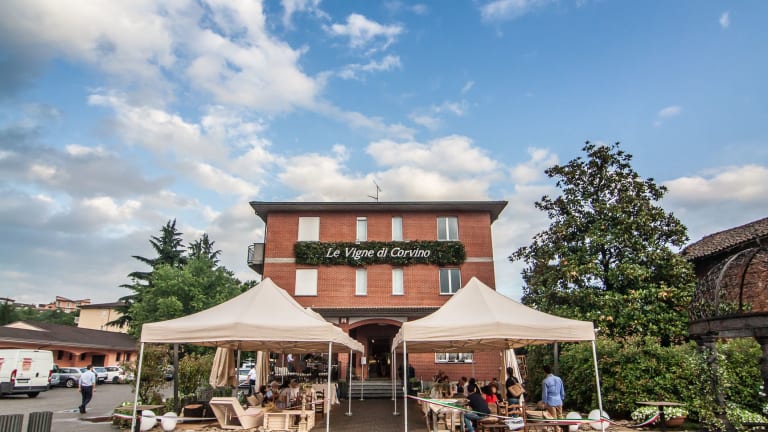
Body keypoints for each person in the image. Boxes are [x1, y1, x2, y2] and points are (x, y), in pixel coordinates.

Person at [542, 365, 565, 431]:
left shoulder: (545, 381)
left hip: (551, 402)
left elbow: (545, 394)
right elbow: (562, 390)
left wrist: (544, 402)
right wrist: (562, 398)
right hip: (559, 400)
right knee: (560, 416)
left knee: (554, 418)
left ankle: (557, 430)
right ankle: (562, 428)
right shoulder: (559, 379)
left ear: (544, 371)